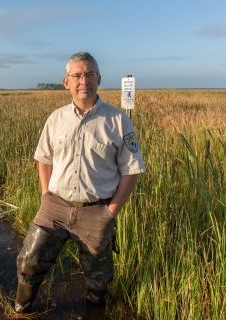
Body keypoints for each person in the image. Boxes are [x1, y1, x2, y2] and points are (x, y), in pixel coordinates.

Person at [15, 52, 146, 314]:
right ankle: (21, 307)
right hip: (55, 206)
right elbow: (44, 160)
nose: (83, 80)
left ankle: (95, 313)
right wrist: (45, 196)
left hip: (97, 210)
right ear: (66, 82)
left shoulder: (118, 121)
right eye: (76, 75)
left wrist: (111, 212)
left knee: (98, 278)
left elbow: (131, 171)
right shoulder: (56, 118)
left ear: (98, 79)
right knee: (30, 260)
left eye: (88, 74)